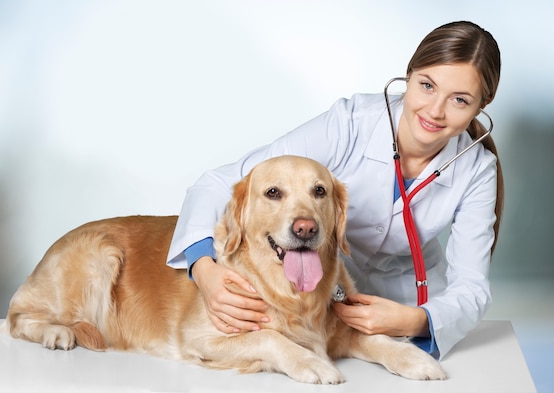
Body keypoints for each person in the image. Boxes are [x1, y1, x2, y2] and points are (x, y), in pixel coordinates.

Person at [165, 20, 503, 360]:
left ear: (482, 104)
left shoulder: (477, 170)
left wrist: (415, 320)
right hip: (326, 292)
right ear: (409, 74)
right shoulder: (351, 123)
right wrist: (204, 270)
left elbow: (471, 285)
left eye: (460, 100)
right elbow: (222, 183)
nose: (435, 110)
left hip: (410, 301)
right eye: (427, 85)